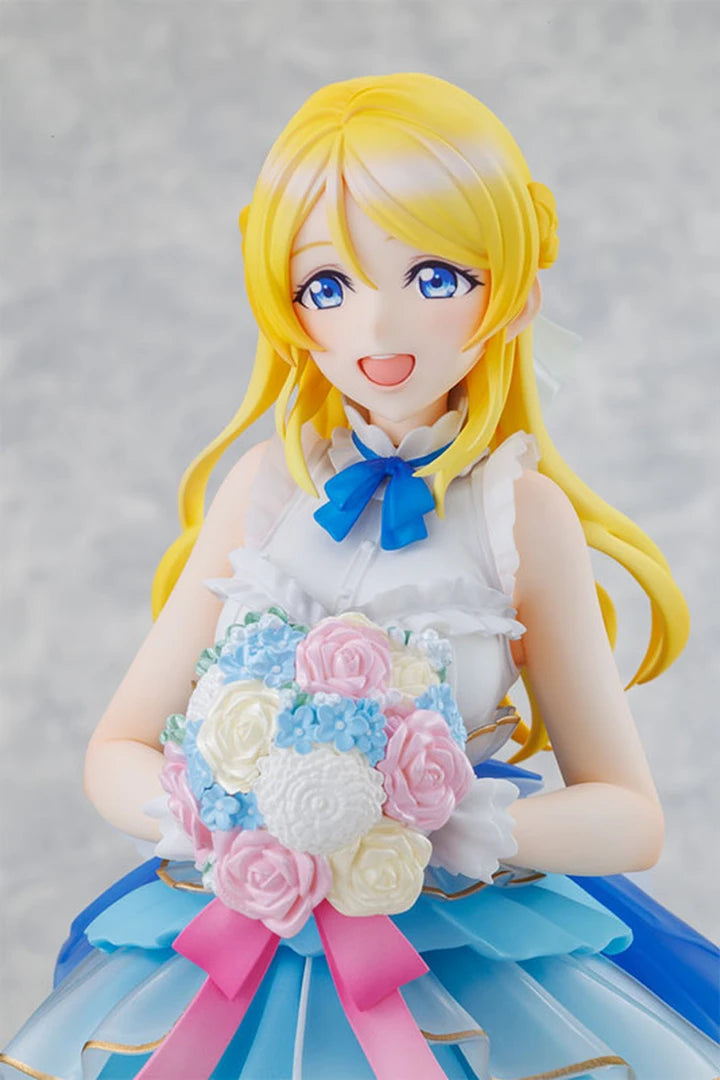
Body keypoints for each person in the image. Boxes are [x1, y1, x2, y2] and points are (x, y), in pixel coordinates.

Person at [2, 72, 718, 1080]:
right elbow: (115, 747)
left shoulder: (520, 515)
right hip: (246, 918)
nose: (377, 331)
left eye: (433, 278)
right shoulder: (264, 490)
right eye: (328, 287)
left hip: (460, 952)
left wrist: (447, 825)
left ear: (513, 292)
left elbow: (630, 817)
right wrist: (227, 812)